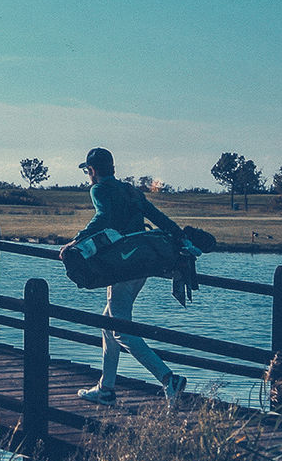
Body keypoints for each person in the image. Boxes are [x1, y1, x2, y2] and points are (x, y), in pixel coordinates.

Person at [60, 148, 197, 405]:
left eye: (88, 171)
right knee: (108, 322)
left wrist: (76, 240)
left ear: (92, 170)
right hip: (141, 263)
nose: (88, 176)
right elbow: (157, 217)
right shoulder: (131, 190)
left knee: (120, 328)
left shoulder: (99, 190)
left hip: (120, 264)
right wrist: (180, 235)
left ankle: (169, 379)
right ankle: (106, 388)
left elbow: (103, 218)